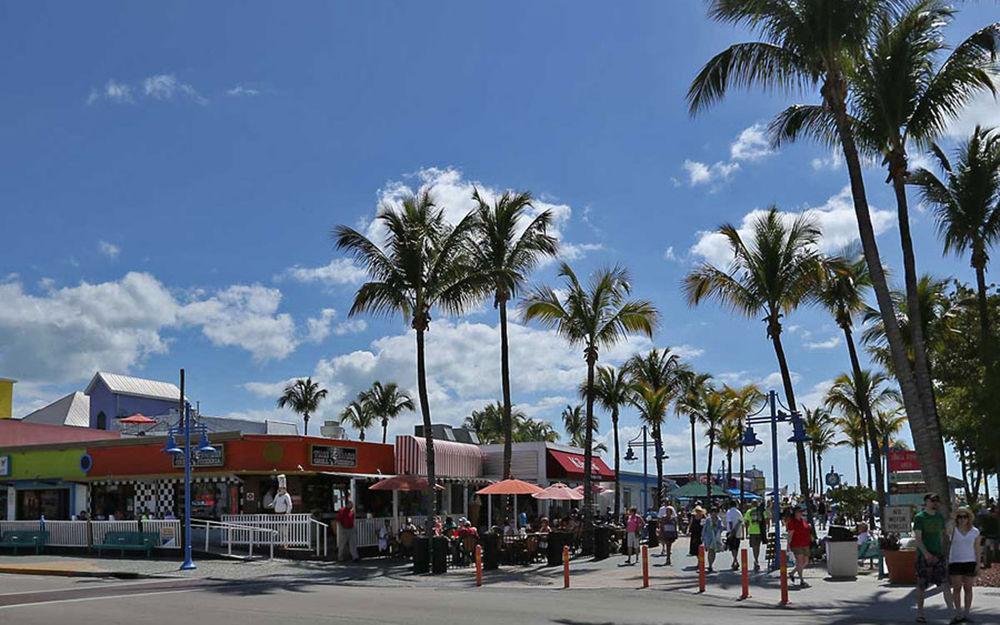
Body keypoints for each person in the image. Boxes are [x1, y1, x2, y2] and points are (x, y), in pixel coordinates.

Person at [914, 493, 954, 623]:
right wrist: (926, 554)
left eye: (937, 501)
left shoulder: (939, 517)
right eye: (932, 501)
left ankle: (952, 614)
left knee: (945, 584)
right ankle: (920, 613)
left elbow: (944, 535)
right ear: (926, 502)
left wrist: (944, 553)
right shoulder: (920, 518)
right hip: (924, 556)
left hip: (938, 556)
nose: (935, 503)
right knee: (921, 585)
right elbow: (918, 539)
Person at [947, 507, 980, 624]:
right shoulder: (953, 529)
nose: (962, 519)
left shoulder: (975, 531)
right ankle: (958, 614)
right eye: (959, 517)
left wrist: (978, 564)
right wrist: (953, 515)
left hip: (970, 562)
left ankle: (966, 613)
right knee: (956, 589)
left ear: (969, 518)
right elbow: (948, 529)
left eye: (964, 517)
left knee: (968, 588)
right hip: (955, 562)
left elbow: (977, 549)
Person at [786, 505, 811, 587]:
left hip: (805, 543)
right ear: (795, 513)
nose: (801, 513)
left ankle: (792, 573)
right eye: (799, 511)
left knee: (805, 561)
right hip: (797, 544)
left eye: (801, 511)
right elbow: (790, 535)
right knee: (800, 562)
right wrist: (788, 546)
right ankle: (801, 580)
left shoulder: (803, 520)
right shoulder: (792, 522)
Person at [743, 501, 767, 571]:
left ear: (751, 504)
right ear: (757, 504)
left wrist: (746, 531)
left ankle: (755, 559)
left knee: (754, 546)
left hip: (752, 532)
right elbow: (765, 519)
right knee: (758, 546)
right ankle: (757, 560)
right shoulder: (760, 511)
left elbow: (746, 522)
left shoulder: (749, 511)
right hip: (759, 531)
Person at [701, 507, 725, 573]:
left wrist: (719, 528)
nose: (714, 514)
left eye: (715, 512)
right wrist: (702, 537)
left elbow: (722, 528)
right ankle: (710, 565)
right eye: (712, 512)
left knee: (713, 552)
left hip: (716, 538)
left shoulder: (719, 520)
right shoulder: (708, 520)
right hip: (709, 538)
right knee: (710, 551)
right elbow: (704, 529)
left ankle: (711, 564)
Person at [725, 500, 743, 571]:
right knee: (736, 547)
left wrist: (731, 531)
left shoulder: (729, 512)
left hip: (731, 532)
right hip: (738, 532)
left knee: (732, 548)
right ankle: (735, 561)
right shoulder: (739, 512)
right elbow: (741, 521)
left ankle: (735, 561)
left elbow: (730, 522)